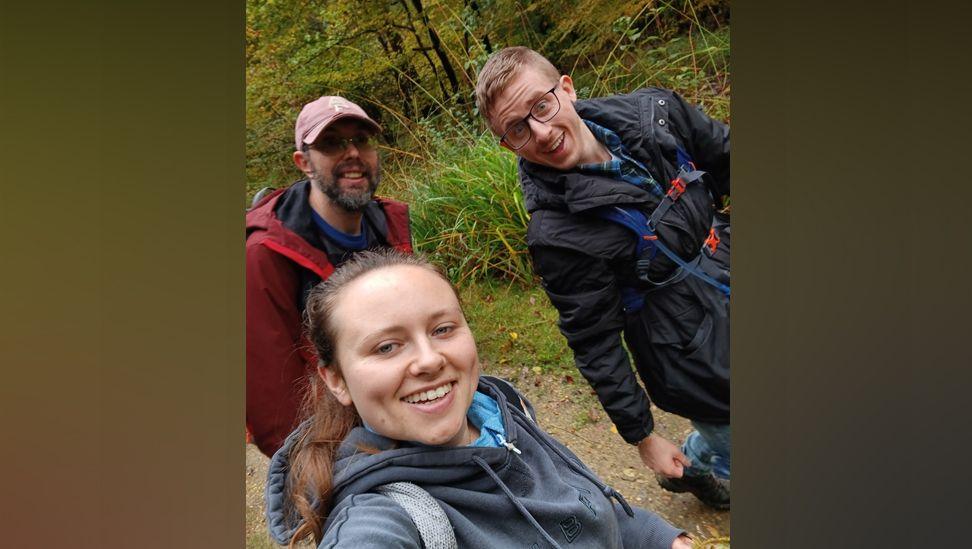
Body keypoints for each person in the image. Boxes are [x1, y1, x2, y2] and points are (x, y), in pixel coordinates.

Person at [264, 249, 693, 549]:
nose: (429, 360)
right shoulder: (382, 516)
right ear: (336, 379)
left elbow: (578, 505)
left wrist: (658, 538)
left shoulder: (502, 411)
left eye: (443, 329)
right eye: (386, 347)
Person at [475, 47, 731, 509]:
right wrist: (643, 435)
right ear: (506, 144)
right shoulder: (556, 234)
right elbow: (594, 340)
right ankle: (705, 464)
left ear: (567, 88)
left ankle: (700, 458)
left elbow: (728, 156)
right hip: (691, 354)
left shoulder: (656, 115)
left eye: (542, 105)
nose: (541, 131)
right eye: (517, 129)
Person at [246, 96, 412, 457]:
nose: (352, 152)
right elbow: (273, 402)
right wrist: (318, 470)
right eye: (332, 143)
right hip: (334, 443)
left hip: (401, 414)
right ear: (303, 163)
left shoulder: (390, 228)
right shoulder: (264, 256)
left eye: (361, 140)